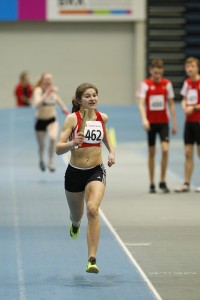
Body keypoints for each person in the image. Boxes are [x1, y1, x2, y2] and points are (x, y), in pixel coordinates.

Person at [55, 83, 115, 273]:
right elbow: (58, 148)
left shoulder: (101, 117)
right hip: (75, 173)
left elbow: (104, 136)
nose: (92, 99)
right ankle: (75, 224)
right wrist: (73, 143)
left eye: (94, 95)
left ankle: (92, 259)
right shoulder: (72, 119)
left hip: (95, 170)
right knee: (77, 215)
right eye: (87, 96)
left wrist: (112, 152)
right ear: (80, 100)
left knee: (92, 210)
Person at [137, 59, 177, 193]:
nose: (157, 75)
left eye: (159, 72)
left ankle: (162, 181)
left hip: (164, 122)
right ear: (151, 71)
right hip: (151, 123)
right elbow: (141, 103)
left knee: (165, 150)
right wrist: (144, 119)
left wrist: (174, 122)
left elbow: (171, 103)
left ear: (162, 71)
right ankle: (152, 182)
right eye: (155, 72)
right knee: (152, 153)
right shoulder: (145, 84)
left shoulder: (167, 84)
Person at [33, 72, 70, 172]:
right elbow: (37, 105)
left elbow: (59, 101)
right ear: (42, 80)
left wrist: (66, 112)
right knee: (42, 145)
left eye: (50, 79)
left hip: (52, 120)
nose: (49, 81)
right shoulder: (38, 90)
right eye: (46, 79)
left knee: (53, 138)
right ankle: (41, 160)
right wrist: (46, 93)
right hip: (40, 121)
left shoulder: (53, 91)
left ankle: (50, 161)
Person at [175, 57, 200, 192]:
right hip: (189, 123)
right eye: (187, 66)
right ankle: (186, 182)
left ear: (197, 68)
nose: (189, 69)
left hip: (199, 121)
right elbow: (184, 99)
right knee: (188, 152)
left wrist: (195, 107)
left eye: (192, 66)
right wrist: (185, 106)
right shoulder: (187, 83)